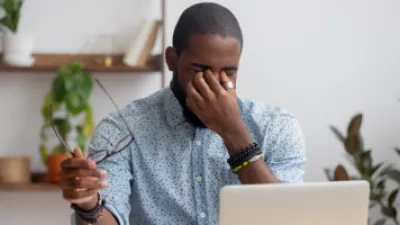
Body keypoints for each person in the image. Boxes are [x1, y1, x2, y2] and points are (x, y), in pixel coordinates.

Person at [60, 2, 307, 225]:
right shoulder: (122, 129)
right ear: (171, 59)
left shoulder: (276, 127)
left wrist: (234, 132)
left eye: (229, 73)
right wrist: (89, 206)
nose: (214, 86)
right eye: (199, 70)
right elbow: (109, 218)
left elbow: (286, 219)